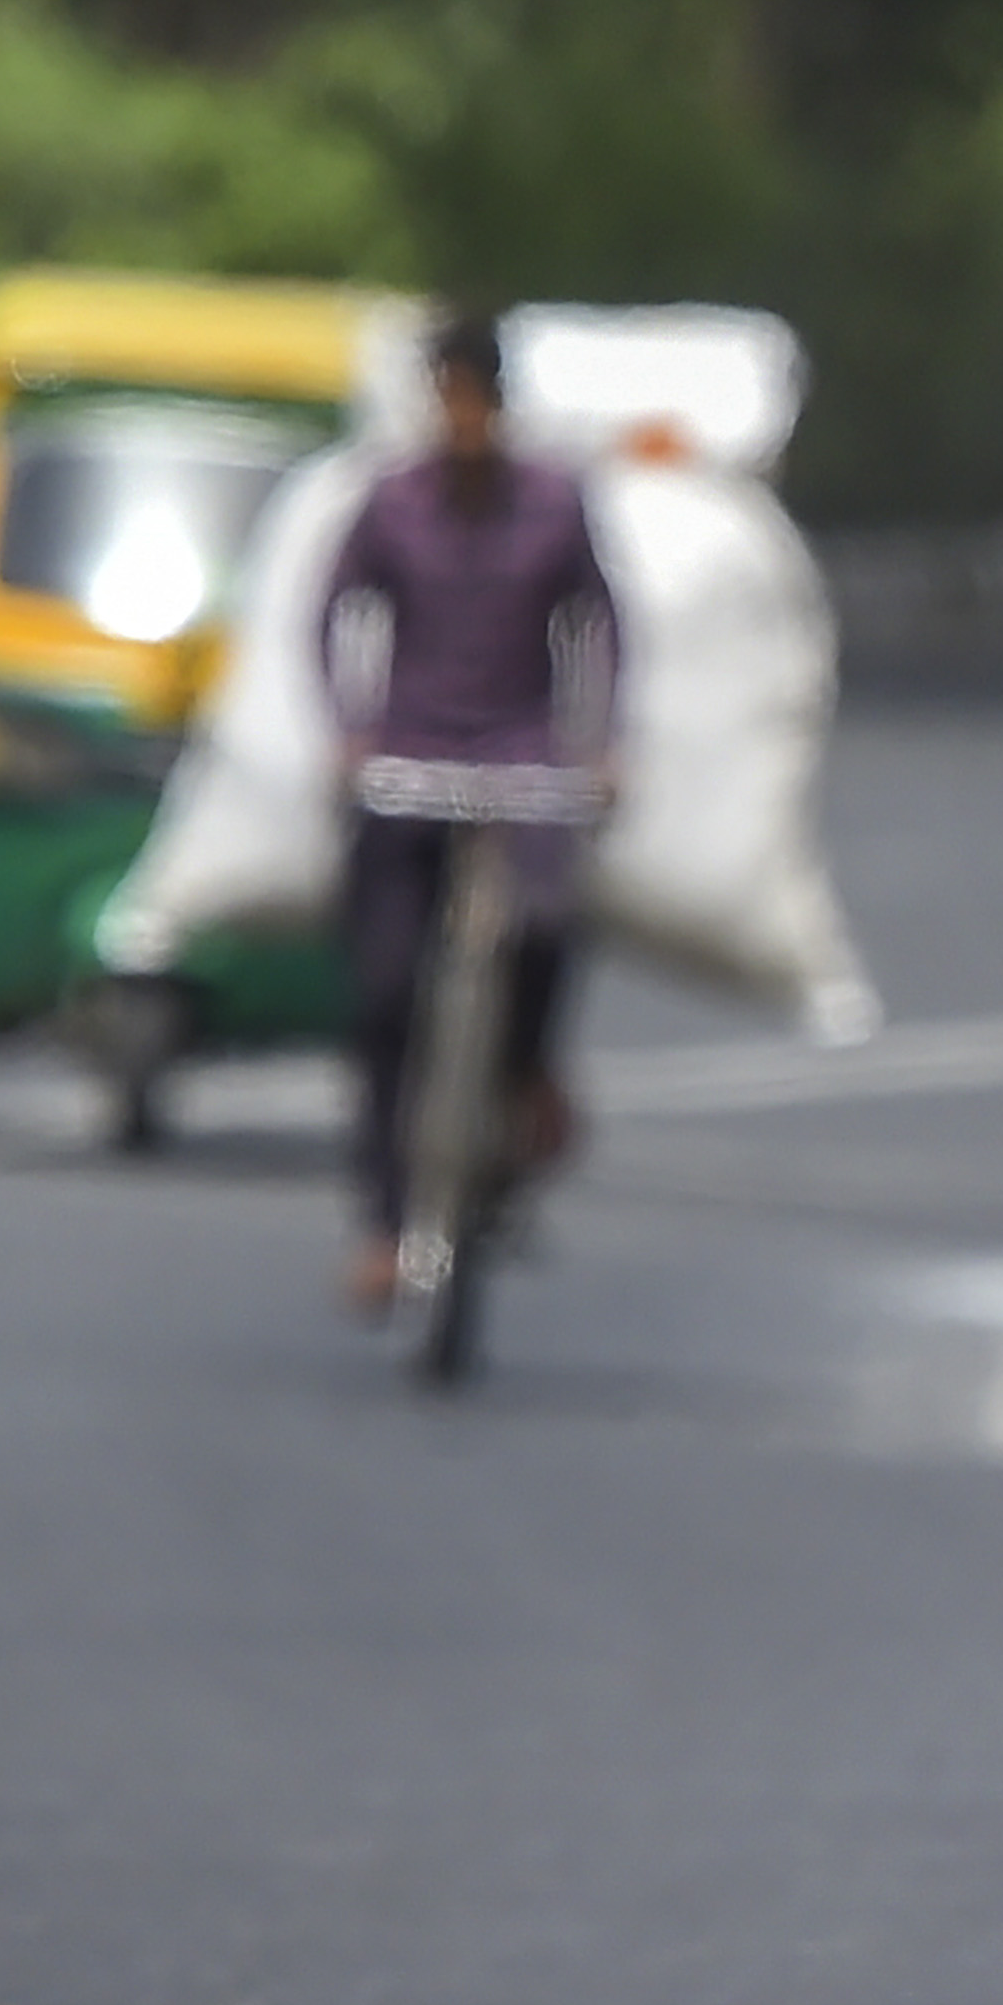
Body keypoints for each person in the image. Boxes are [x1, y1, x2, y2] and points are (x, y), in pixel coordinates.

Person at [321, 314, 615, 1316]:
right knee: (384, 993)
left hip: (520, 749)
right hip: (411, 748)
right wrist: (348, 728)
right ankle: (382, 1219)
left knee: (545, 925)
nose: (460, 419)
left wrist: (600, 743)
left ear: (496, 399)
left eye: (473, 398)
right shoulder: (392, 504)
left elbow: (602, 621)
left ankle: (526, 1081)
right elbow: (333, 606)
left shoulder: (552, 505)